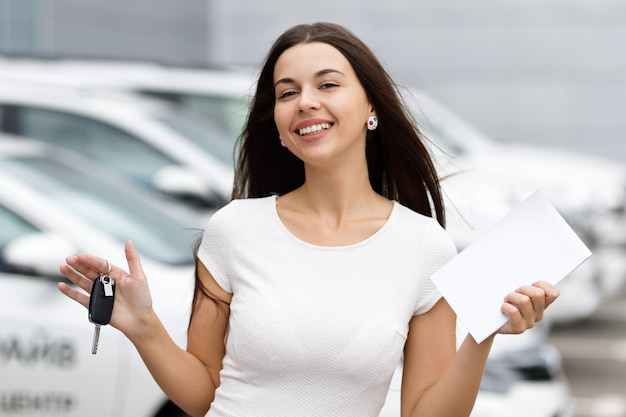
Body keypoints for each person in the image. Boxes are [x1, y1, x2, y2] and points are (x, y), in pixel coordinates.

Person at [58, 22, 559, 417]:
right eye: (287, 92)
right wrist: (144, 326)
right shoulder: (234, 229)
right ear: (277, 123)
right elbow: (201, 396)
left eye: (328, 84)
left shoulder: (424, 245)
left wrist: (482, 333)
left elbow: (426, 413)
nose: (306, 102)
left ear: (371, 107)